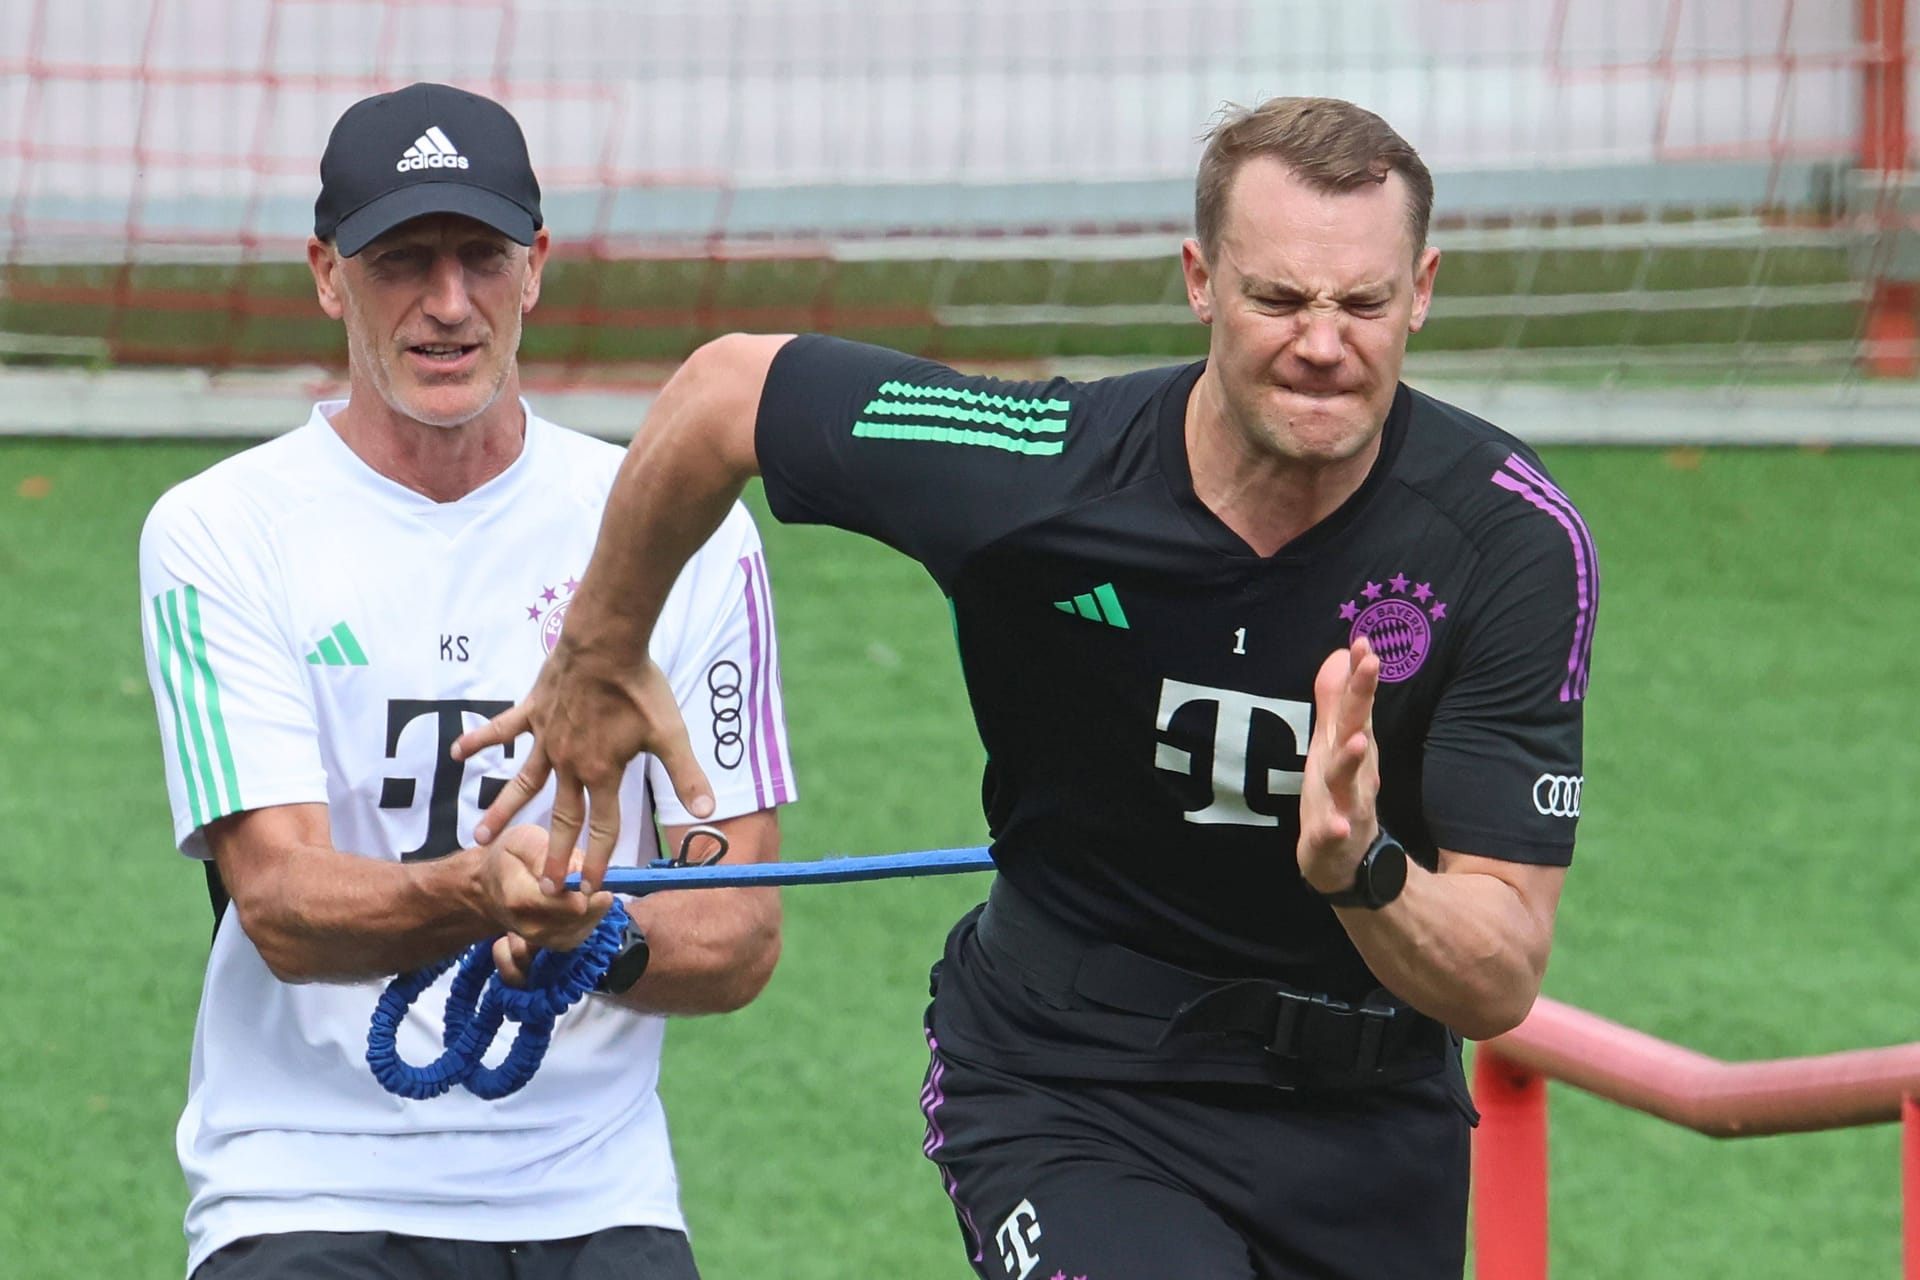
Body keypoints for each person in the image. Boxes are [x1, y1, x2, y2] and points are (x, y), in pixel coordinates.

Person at [459, 96, 1597, 1279]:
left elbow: (1501, 968)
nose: (1324, 342)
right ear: (1201, 280)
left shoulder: (1508, 545)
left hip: (1371, 1126)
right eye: (1279, 299)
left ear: (1420, 290)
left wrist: (1360, 870)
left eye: (1363, 302)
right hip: (1071, 1087)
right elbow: (724, 394)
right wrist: (600, 647)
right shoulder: (1044, 471)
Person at [138, 82, 796, 1280]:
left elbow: (738, 931)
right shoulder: (219, 530)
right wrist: (486, 890)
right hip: (303, 1185)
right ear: (328, 275)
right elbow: (279, 905)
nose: (448, 304)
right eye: (401, 260)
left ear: (535, 266)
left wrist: (597, 935)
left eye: (481, 256)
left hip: (593, 1189)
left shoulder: (679, 529)